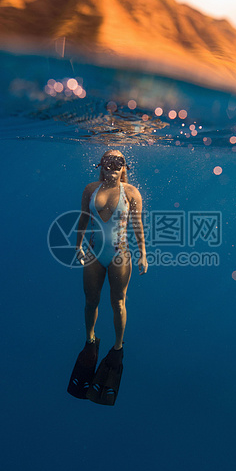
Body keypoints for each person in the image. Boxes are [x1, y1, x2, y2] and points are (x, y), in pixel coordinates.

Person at [67, 149, 147, 405]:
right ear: (100, 165)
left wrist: (143, 253)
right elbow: (83, 217)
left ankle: (118, 346)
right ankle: (90, 339)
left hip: (119, 256)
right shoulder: (91, 188)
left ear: (125, 166)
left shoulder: (132, 193)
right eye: (108, 161)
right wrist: (77, 245)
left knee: (118, 302)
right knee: (90, 300)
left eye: (118, 162)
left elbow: (137, 225)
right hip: (92, 253)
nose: (113, 166)